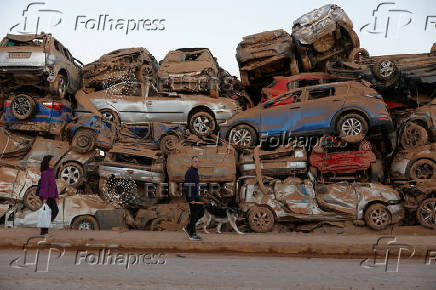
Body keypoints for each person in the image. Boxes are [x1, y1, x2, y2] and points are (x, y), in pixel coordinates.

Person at [183, 156, 205, 241]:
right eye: (195, 161)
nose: (197, 163)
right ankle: (192, 234)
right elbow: (188, 186)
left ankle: (188, 227)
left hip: (196, 196)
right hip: (192, 198)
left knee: (201, 213)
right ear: (191, 162)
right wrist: (191, 198)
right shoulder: (190, 172)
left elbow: (196, 185)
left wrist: (203, 189)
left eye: (198, 161)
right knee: (194, 215)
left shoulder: (195, 172)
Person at [38, 155, 59, 235]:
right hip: (46, 196)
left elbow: (53, 185)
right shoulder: (45, 172)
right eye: (52, 160)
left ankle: (45, 228)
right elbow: (45, 186)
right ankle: (44, 231)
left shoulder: (51, 171)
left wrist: (56, 195)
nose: (54, 161)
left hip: (51, 195)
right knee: (48, 213)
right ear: (48, 162)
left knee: (54, 211)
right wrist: (45, 198)